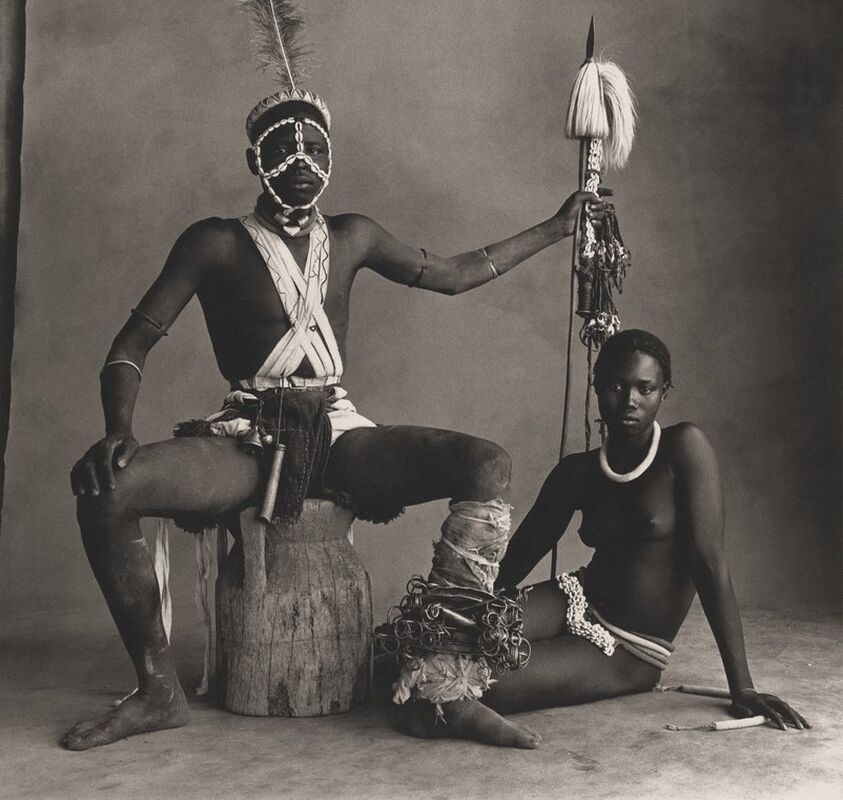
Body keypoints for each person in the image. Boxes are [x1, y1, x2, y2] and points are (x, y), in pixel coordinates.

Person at [62, 75, 605, 750]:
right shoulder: (216, 242)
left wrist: (556, 228)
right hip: (250, 437)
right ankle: (156, 689)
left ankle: (439, 680)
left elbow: (456, 273)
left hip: (339, 433)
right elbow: (130, 345)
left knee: (486, 463)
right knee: (107, 489)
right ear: (253, 162)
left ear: (331, 156)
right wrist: (119, 427)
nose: (301, 165)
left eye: (314, 150)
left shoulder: (353, 236)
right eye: (283, 152)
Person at [485, 329, 809, 731]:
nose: (630, 401)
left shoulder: (684, 449)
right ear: (598, 386)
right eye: (617, 385)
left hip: (630, 646)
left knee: (487, 682)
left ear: (664, 392)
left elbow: (709, 566)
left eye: (645, 388)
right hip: (575, 597)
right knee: (452, 637)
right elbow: (517, 558)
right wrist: (461, 609)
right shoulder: (577, 472)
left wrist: (742, 688)